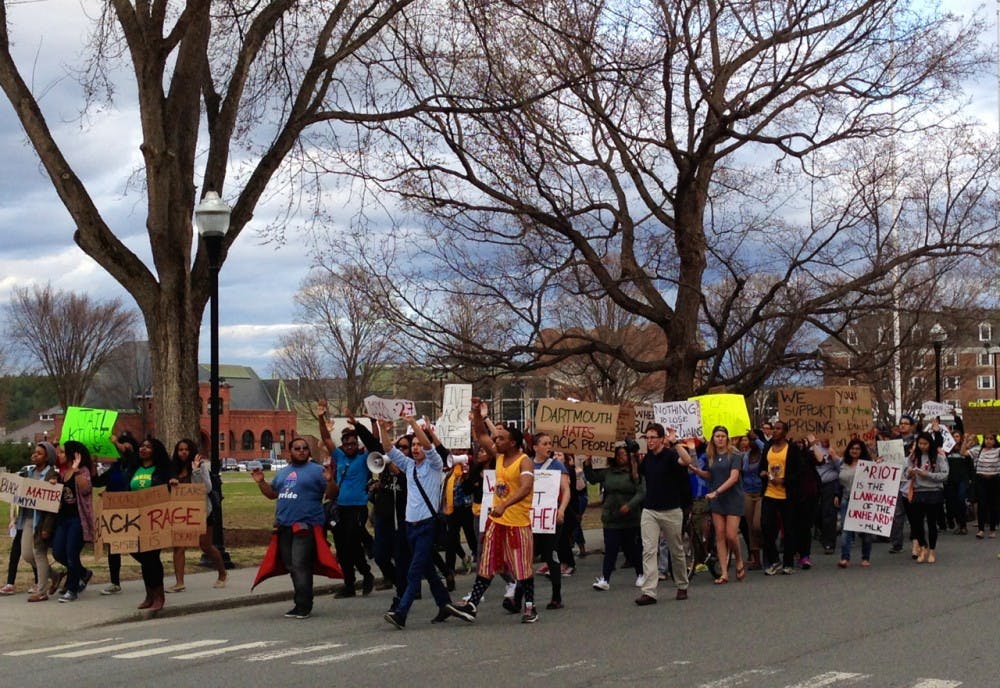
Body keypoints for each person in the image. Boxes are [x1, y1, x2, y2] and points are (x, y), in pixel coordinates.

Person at [448, 401, 537, 624]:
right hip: (496, 523)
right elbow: (480, 434)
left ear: (513, 442)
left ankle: (529, 607)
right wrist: (477, 413)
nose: (496, 441)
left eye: (501, 439)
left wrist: (505, 505)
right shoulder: (498, 457)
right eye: (496, 438)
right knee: (486, 564)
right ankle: (472, 605)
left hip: (517, 525)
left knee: (522, 568)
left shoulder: (524, 461)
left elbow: (526, 487)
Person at [377, 416, 458, 629]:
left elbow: (430, 447)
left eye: (418, 444)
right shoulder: (409, 465)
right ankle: (444, 604)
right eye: (412, 445)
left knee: (414, 572)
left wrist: (414, 425)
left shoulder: (434, 464)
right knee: (428, 569)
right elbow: (388, 449)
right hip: (410, 526)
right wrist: (381, 427)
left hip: (427, 525)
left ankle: (401, 613)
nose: (415, 448)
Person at [251, 438, 339, 619]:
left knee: (300, 564)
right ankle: (301, 601)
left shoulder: (317, 471)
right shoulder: (283, 473)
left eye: (304, 448)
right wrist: (261, 482)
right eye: (297, 448)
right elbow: (272, 494)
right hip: (284, 526)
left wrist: (330, 481)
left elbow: (332, 494)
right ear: (290, 451)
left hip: (306, 526)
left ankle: (304, 604)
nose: (301, 451)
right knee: (291, 565)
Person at [317, 401, 375, 597]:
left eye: (353, 444)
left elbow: (373, 441)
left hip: (358, 508)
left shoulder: (364, 459)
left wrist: (372, 422)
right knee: (342, 548)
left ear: (357, 444)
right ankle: (349, 584)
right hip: (340, 508)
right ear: (342, 445)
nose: (350, 447)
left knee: (352, 543)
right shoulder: (339, 456)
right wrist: (321, 418)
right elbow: (326, 437)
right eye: (347, 444)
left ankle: (366, 574)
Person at [635, 423, 693, 605]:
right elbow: (637, 476)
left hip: (671, 510)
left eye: (653, 437)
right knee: (649, 550)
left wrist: (675, 443)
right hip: (650, 510)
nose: (650, 441)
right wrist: (633, 456)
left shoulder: (670, 455)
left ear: (661, 439)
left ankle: (682, 584)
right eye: (647, 438)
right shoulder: (648, 459)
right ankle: (649, 591)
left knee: (676, 550)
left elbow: (687, 461)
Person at [166, 439, 227, 592]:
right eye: (180, 450)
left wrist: (196, 471)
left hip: (201, 512)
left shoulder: (201, 465)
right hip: (181, 514)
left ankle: (222, 573)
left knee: (206, 546)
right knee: (179, 547)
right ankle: (179, 582)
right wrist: (171, 483)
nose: (183, 452)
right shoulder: (173, 468)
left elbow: (207, 488)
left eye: (186, 449)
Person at [584, 446, 645, 590]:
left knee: (633, 549)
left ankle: (641, 574)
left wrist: (630, 505)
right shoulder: (608, 472)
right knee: (610, 548)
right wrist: (587, 463)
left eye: (624, 454)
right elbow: (592, 478)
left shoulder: (635, 473)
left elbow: (641, 492)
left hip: (630, 517)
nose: (621, 457)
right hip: (611, 517)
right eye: (618, 455)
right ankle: (605, 579)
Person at [691, 426, 745, 584]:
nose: (720, 439)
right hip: (717, 500)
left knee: (731, 535)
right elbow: (710, 475)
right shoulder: (711, 455)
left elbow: (734, 478)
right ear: (713, 439)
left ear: (727, 438)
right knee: (720, 535)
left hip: (732, 497)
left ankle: (739, 559)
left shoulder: (735, 455)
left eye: (722, 436)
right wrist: (698, 471)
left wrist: (717, 492)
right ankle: (724, 573)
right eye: (717, 436)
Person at [126, 437, 172, 611]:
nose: (143, 449)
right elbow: (127, 490)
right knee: (140, 555)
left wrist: (172, 483)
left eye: (148, 447)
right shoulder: (134, 469)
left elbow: (169, 488)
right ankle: (149, 594)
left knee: (152, 557)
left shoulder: (162, 470)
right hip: (136, 519)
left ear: (155, 451)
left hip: (155, 519)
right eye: (141, 446)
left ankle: (158, 596)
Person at [50, 441, 95, 602]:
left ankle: (72, 589)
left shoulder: (82, 471)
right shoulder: (62, 473)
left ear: (72, 455)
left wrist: (76, 471)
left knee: (71, 553)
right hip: (63, 519)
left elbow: (86, 489)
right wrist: (54, 485)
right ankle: (83, 573)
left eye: (62, 452)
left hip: (78, 520)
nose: (59, 455)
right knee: (58, 552)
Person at [760, 421, 806, 575]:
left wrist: (784, 480)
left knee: (789, 528)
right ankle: (774, 560)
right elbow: (762, 465)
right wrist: (763, 473)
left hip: (787, 495)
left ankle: (788, 562)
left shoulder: (792, 449)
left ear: (785, 432)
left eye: (778, 429)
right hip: (769, 493)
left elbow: (800, 472)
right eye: (774, 428)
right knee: (765, 526)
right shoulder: (768, 447)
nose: (775, 431)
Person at [20, 441, 58, 602]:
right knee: (27, 555)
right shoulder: (28, 473)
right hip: (28, 517)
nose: (35, 455)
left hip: (41, 521)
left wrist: (47, 527)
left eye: (39, 453)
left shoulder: (52, 476)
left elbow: (52, 504)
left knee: (39, 553)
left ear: (47, 457)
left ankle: (42, 591)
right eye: (34, 452)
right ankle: (54, 575)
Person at [906, 431, 949, 563]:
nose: (922, 446)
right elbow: (906, 474)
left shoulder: (938, 457)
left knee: (931, 523)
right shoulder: (913, 457)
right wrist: (910, 472)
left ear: (930, 443)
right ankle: (923, 547)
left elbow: (945, 475)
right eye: (920, 444)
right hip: (918, 492)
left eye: (925, 444)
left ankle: (932, 550)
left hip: (933, 492)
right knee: (917, 523)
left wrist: (928, 475)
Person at [836, 439, 873, 567]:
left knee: (865, 531)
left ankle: (865, 557)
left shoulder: (868, 464)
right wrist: (836, 495)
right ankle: (845, 558)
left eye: (857, 449)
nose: (855, 451)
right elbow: (838, 481)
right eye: (852, 448)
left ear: (862, 451)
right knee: (846, 529)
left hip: (864, 500)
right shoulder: (842, 463)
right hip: (846, 498)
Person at [889, 414, 917, 554]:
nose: (902, 425)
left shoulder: (916, 442)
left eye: (905, 423)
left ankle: (916, 539)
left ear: (911, 426)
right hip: (896, 480)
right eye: (901, 423)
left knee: (913, 513)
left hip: (911, 481)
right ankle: (896, 543)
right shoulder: (893, 442)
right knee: (897, 514)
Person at [738, 433, 764, 570]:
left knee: (757, 525)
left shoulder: (764, 454)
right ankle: (756, 559)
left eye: (753, 440)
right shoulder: (745, 456)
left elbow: (765, 448)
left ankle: (766, 547)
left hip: (761, 493)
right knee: (750, 527)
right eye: (749, 440)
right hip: (747, 492)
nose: (751, 442)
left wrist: (757, 439)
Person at [968, 433, 1000, 538]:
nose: (988, 441)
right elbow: (963, 453)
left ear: (994, 441)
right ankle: (981, 529)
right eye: (986, 438)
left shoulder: (998, 450)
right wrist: (965, 441)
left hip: (994, 480)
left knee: (993, 505)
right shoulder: (979, 450)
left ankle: (992, 529)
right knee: (982, 504)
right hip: (981, 480)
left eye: (991, 439)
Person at [944, 429, 972, 534]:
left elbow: (970, 466)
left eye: (957, 436)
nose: (955, 439)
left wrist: (970, 479)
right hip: (950, 479)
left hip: (962, 480)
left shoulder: (965, 450)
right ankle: (954, 521)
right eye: (953, 436)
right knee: (951, 502)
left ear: (961, 438)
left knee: (961, 500)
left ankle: (963, 525)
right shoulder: (947, 451)